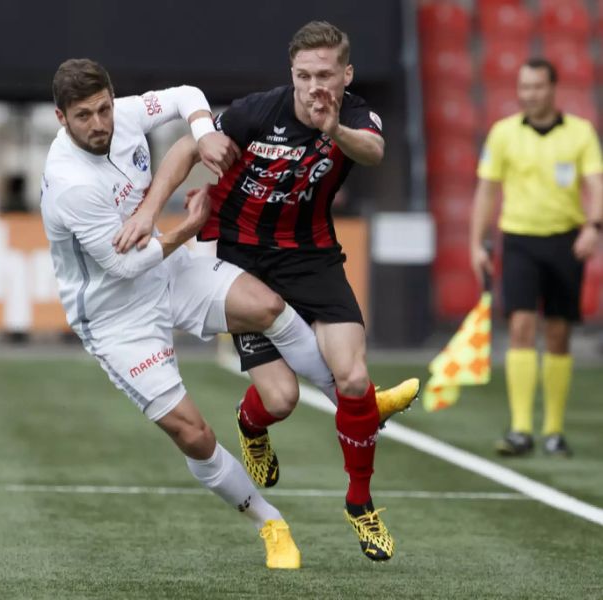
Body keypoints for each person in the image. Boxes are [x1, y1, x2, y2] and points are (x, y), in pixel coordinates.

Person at [113, 21, 420, 562]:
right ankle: (252, 424)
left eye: (325, 75)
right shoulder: (259, 111)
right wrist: (148, 210)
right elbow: (188, 148)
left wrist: (333, 131)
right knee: (280, 399)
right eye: (303, 75)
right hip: (245, 257)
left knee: (351, 377)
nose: (313, 86)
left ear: (345, 75)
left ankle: (360, 503)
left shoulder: (351, 116)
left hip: (313, 257)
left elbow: (372, 151)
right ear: (292, 75)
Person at [41, 58, 357, 569]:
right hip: (116, 316)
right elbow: (124, 267)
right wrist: (187, 229)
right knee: (192, 432)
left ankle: (349, 402)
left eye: (103, 109)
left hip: (167, 270)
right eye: (83, 117)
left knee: (267, 305)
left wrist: (203, 131)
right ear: (61, 118)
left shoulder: (123, 113)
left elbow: (186, 91)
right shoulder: (70, 184)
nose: (99, 124)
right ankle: (270, 522)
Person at [470, 58, 603, 458]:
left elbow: (596, 183)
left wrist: (594, 227)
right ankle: (521, 428)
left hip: (565, 241)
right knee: (522, 325)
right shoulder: (503, 133)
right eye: (524, 87)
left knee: (559, 334)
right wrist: (477, 242)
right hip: (520, 240)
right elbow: (486, 191)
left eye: (537, 87)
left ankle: (554, 430)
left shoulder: (580, 133)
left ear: (553, 88)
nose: (529, 94)